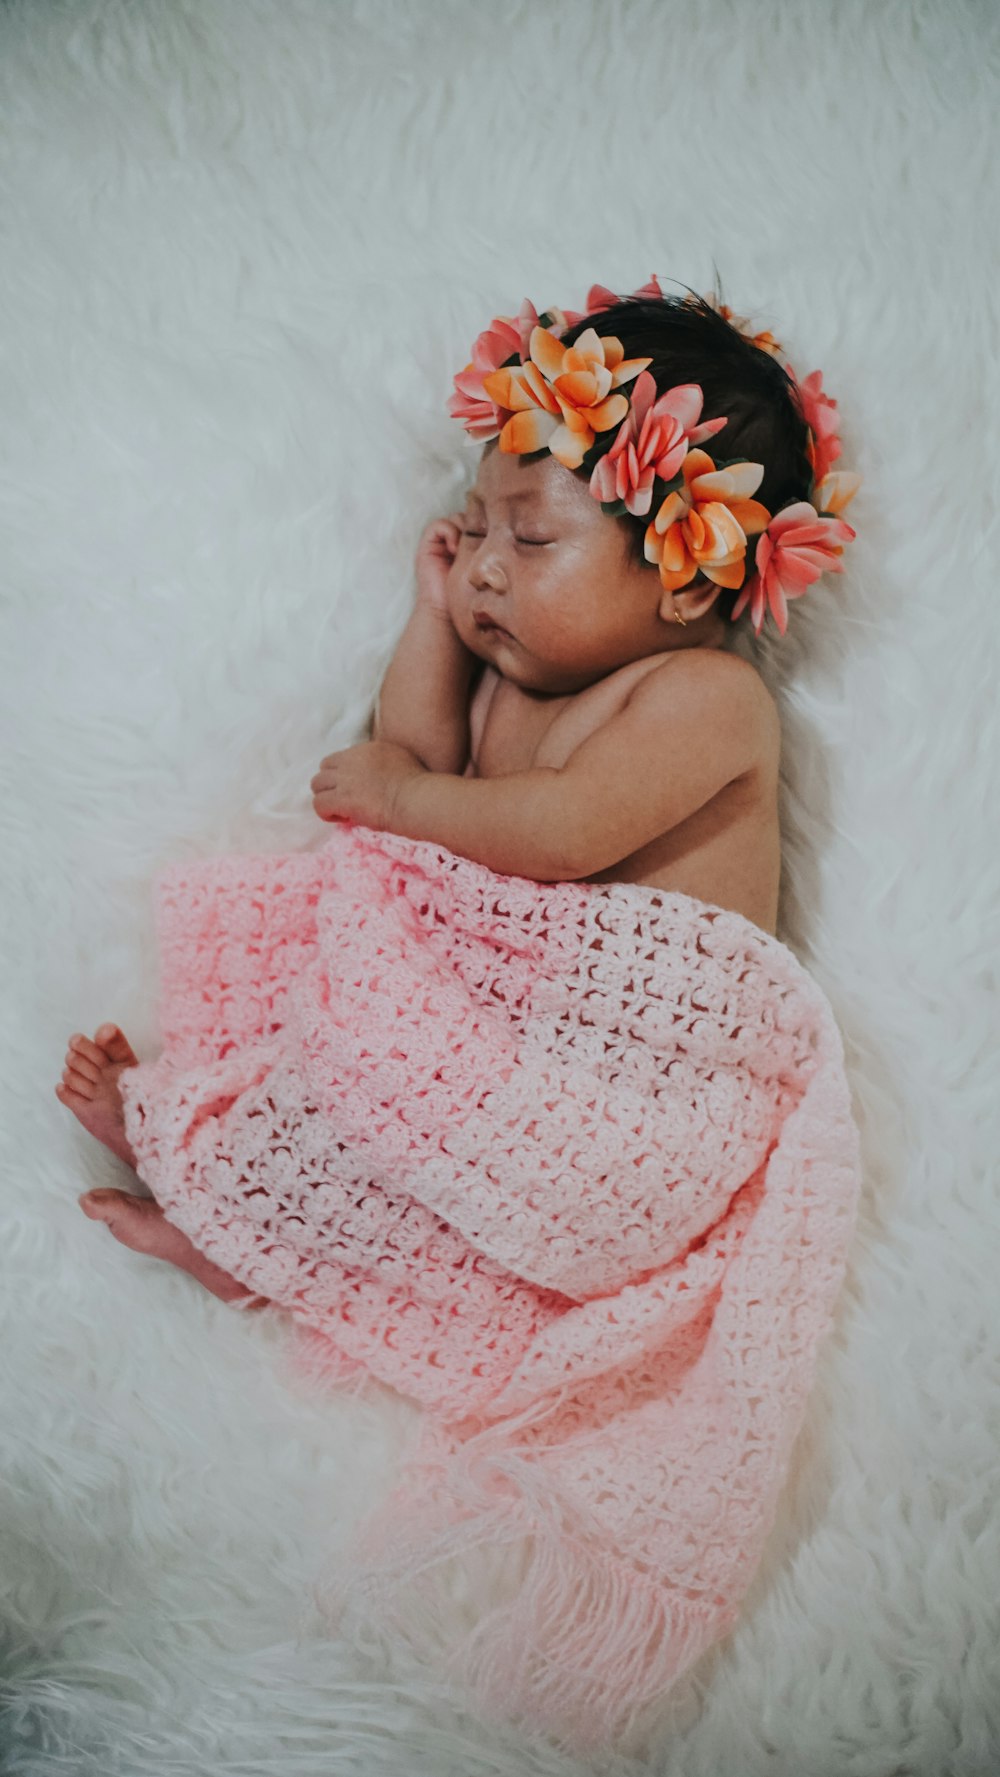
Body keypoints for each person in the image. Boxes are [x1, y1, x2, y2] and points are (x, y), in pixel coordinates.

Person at [54, 275, 859, 1303]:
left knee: (387, 1054)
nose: (484, 565)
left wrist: (396, 800)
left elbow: (557, 830)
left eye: (529, 540)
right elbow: (415, 759)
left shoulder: (705, 697)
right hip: (506, 1055)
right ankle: (234, 1193)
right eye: (475, 528)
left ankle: (243, 1215)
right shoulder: (515, 669)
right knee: (344, 998)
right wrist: (432, 622)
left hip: (625, 1113)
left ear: (687, 574)